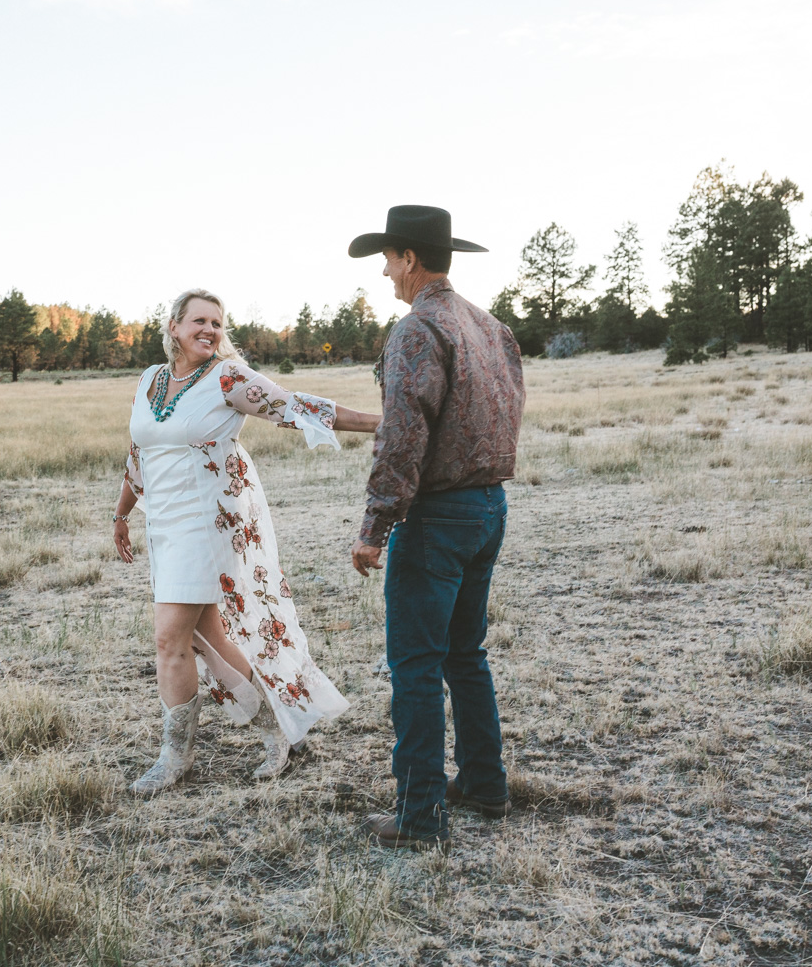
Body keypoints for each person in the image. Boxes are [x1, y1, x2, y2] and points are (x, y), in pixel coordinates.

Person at [112, 289, 381, 796]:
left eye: (217, 323)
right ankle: (280, 729)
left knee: (170, 638)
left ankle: (174, 759)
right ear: (174, 327)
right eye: (199, 321)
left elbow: (294, 406)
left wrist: (380, 423)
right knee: (208, 637)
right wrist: (122, 512)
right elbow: (138, 453)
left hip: (208, 523)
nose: (210, 330)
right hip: (164, 525)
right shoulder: (150, 380)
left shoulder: (228, 378)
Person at [346, 205, 526, 849]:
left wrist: (375, 525)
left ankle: (420, 815)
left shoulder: (417, 330)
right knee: (465, 654)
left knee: (416, 665)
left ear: (411, 259)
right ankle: (483, 782)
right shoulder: (491, 326)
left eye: (388, 260)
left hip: (438, 517)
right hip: (488, 508)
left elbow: (402, 434)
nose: (385, 273)